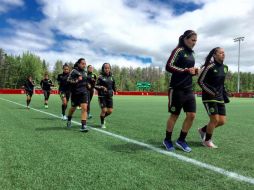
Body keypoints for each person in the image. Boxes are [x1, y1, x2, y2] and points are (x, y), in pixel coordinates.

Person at [163, 30, 198, 153]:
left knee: (191, 115)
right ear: (185, 39)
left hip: (188, 89)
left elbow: (188, 71)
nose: (194, 43)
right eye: (192, 40)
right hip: (176, 89)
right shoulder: (178, 50)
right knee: (175, 115)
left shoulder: (192, 54)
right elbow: (168, 66)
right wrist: (185, 70)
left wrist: (194, 72)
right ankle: (167, 140)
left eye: (196, 41)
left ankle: (181, 140)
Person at [197, 47, 229, 148]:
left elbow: (221, 83)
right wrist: (211, 92)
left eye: (224, 53)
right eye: (220, 53)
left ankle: (202, 130)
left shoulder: (225, 67)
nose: (223, 54)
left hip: (220, 97)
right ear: (214, 55)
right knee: (214, 120)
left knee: (222, 121)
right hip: (209, 97)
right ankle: (207, 141)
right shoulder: (209, 67)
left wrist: (224, 93)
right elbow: (200, 82)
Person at [66, 58, 90, 132]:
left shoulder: (85, 72)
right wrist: (77, 80)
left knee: (84, 108)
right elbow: (68, 80)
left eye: (85, 64)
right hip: (75, 93)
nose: (84, 65)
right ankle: (69, 119)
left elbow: (85, 81)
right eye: (82, 63)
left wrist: (88, 85)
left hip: (84, 92)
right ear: (79, 64)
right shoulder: (74, 71)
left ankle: (83, 126)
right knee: (73, 108)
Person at [95, 63, 116, 128]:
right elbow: (95, 86)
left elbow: (114, 85)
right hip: (102, 96)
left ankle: (102, 117)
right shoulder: (100, 77)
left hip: (109, 96)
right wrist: (102, 87)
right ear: (103, 69)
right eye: (105, 68)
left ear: (110, 69)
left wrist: (115, 89)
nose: (107, 69)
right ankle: (102, 124)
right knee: (104, 110)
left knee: (110, 111)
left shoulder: (112, 77)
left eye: (108, 68)